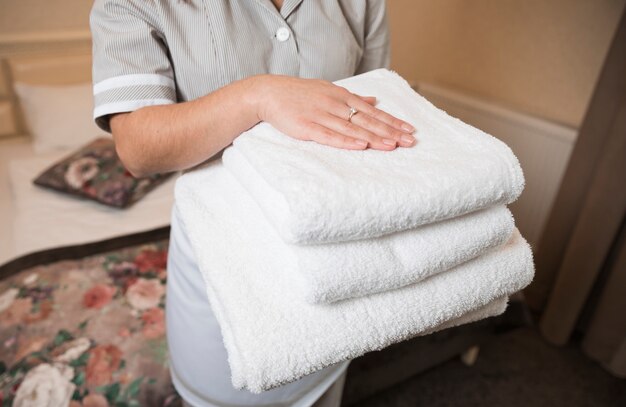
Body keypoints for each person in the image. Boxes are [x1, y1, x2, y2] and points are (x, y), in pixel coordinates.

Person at [90, 1, 416, 406]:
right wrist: (256, 96)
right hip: (223, 256)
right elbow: (138, 148)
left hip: (333, 250)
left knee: (324, 388)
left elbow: (372, 102)